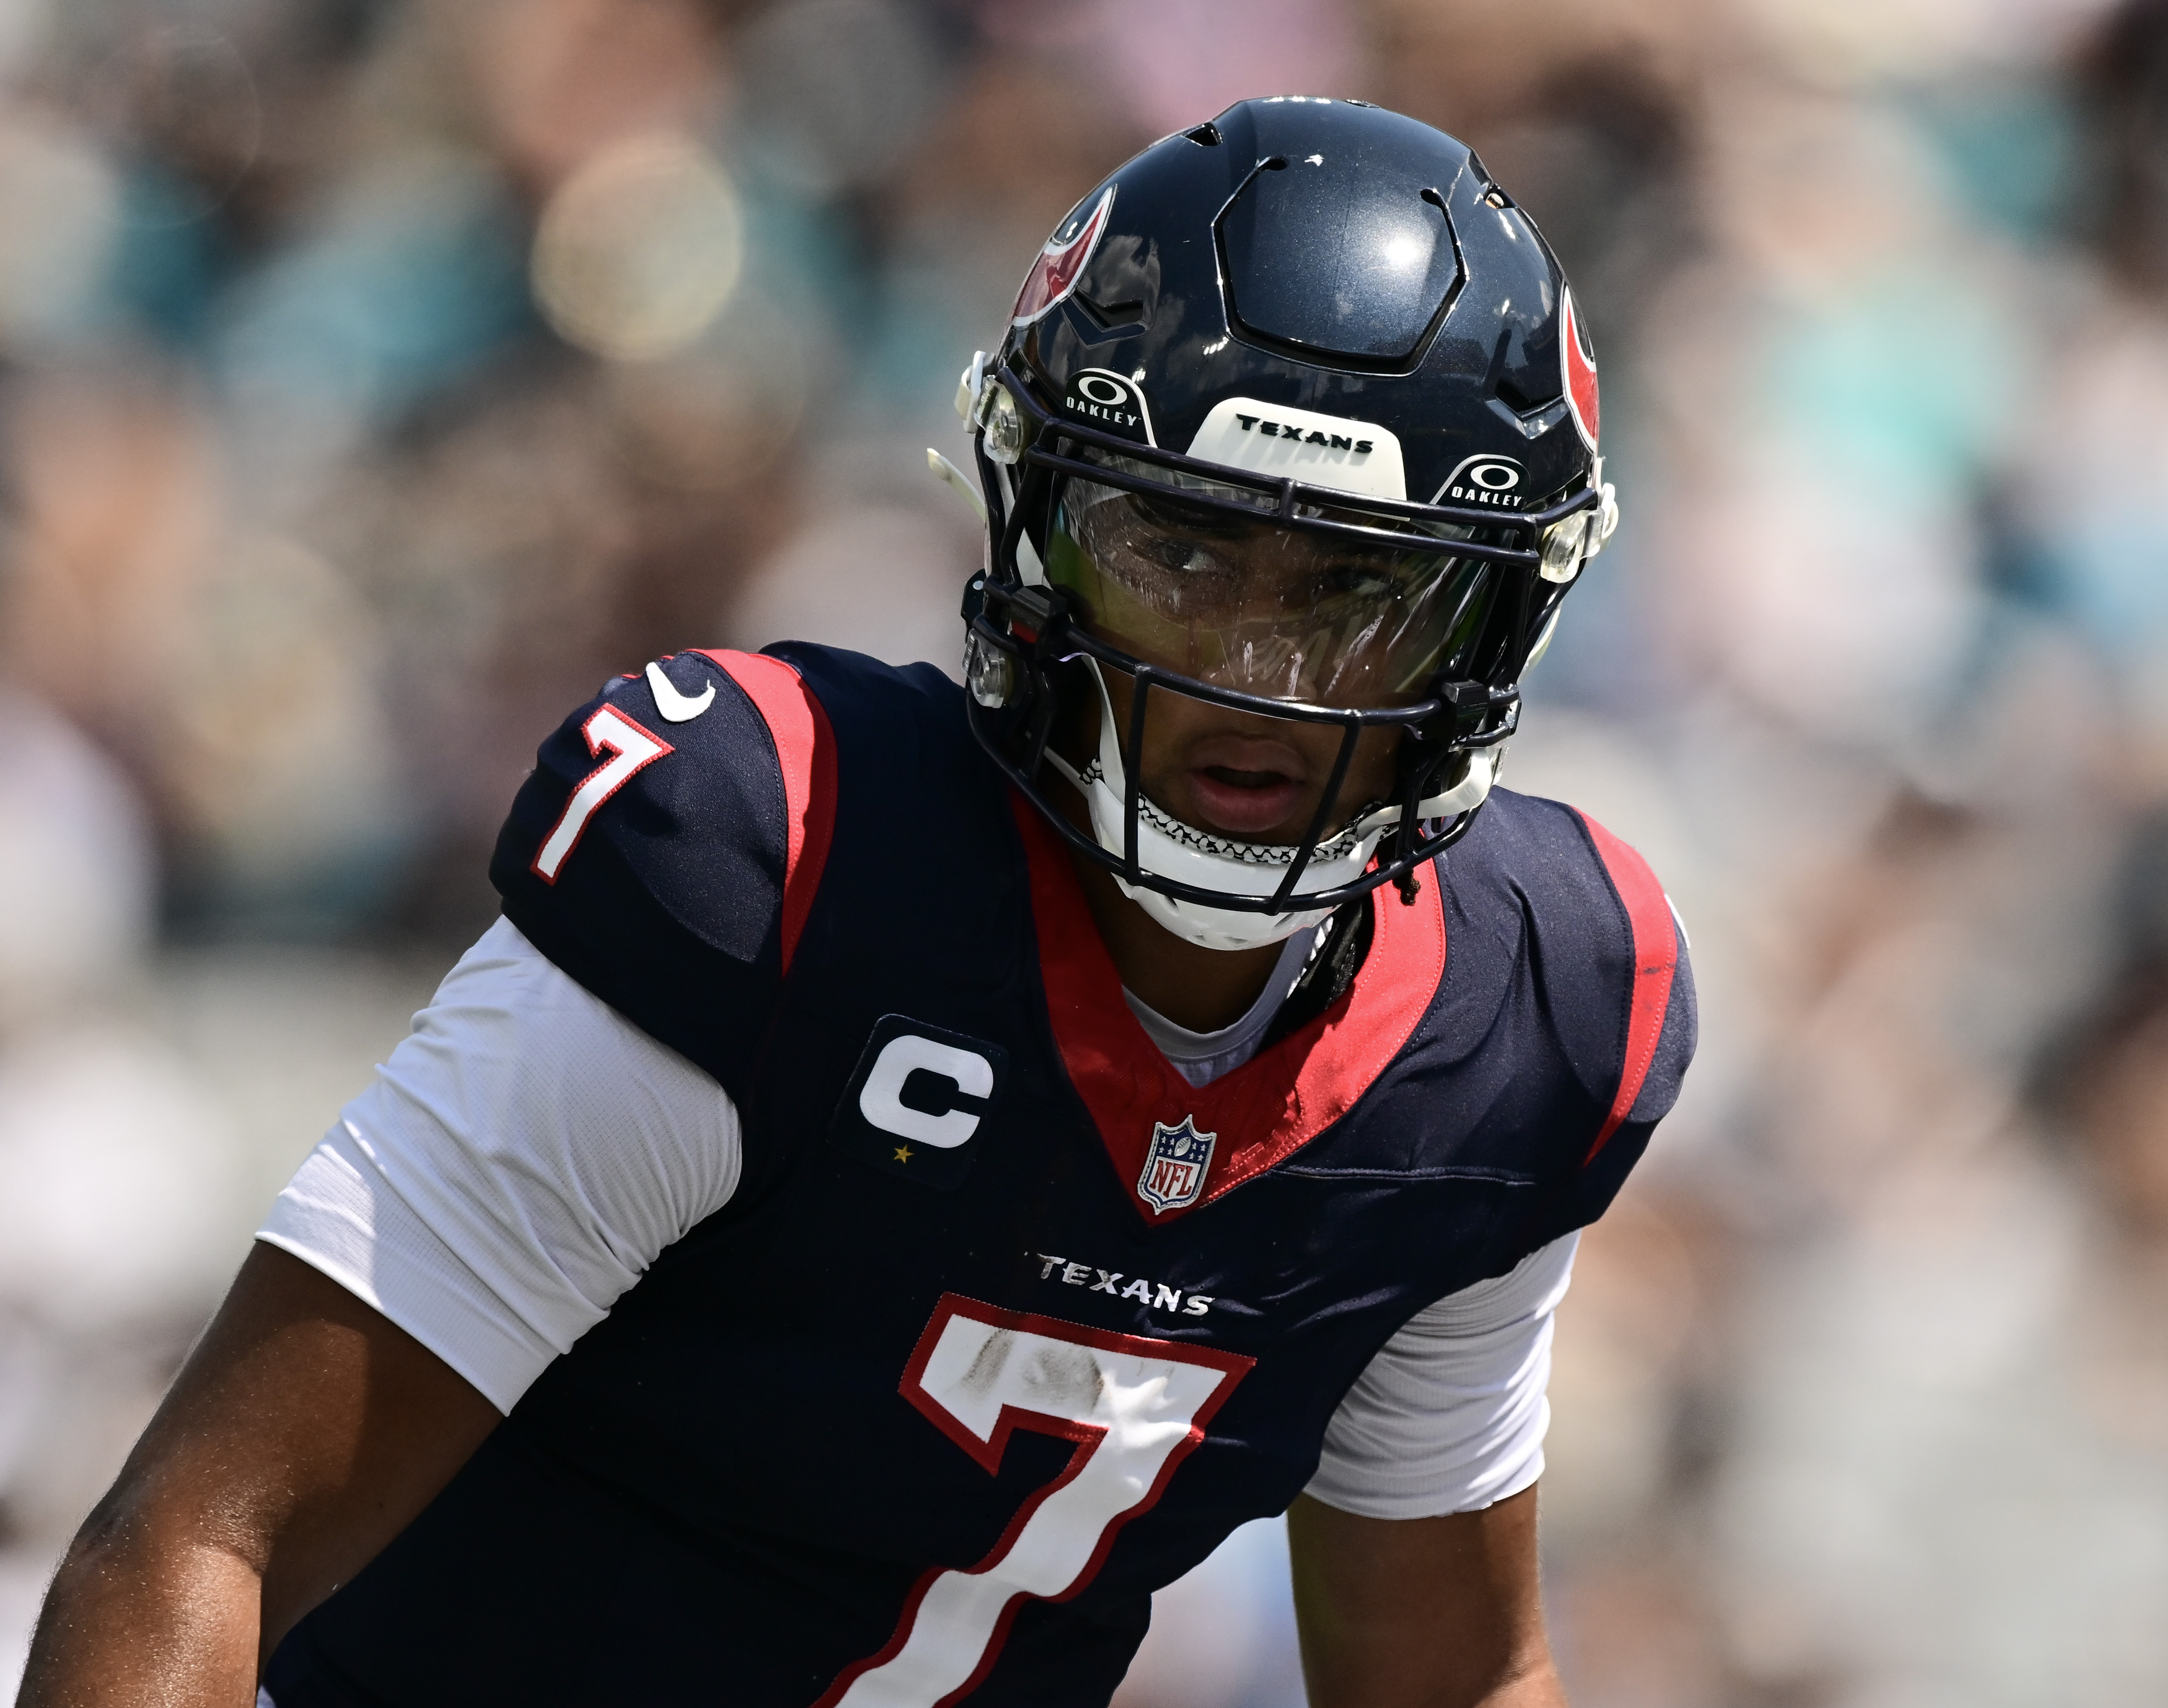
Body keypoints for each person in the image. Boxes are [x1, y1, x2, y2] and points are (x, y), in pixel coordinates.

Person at [18, 97, 1693, 1708]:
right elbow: (196, 1542)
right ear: (1041, 520)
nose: (1257, 674)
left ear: (1496, 621)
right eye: (1177, 554)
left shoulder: (1527, 1020)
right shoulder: (782, 861)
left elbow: (1450, 1676)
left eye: (1354, 593)